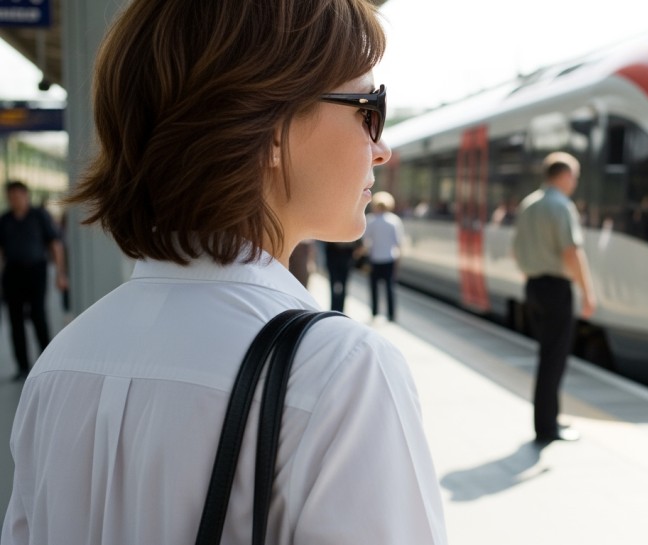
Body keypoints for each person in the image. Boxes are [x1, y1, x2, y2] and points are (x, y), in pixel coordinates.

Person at [1, 1, 447, 543]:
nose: (382, 148)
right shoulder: (339, 372)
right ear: (274, 127)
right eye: (369, 109)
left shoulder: (61, 363)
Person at [511, 152, 596, 444]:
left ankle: (548, 419)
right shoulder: (561, 206)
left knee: (547, 355)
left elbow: (516, 250)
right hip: (556, 288)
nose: (575, 182)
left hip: (533, 286)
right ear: (564, 175)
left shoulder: (529, 204)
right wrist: (587, 293)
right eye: (575, 176)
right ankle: (547, 426)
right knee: (554, 358)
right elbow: (572, 252)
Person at [0, 180, 68, 381]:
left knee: (39, 316)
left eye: (18, 196)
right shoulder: (5, 220)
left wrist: (60, 274)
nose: (14, 200)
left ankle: (47, 361)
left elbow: (55, 245)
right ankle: (22, 367)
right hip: (13, 273)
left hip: (36, 270)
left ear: (26, 195)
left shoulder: (39, 216)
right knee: (15, 320)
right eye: (11, 197)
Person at [363, 191, 404, 321]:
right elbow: (398, 243)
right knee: (390, 288)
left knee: (374, 288)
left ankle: (375, 313)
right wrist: (398, 261)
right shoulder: (394, 221)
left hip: (375, 258)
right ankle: (391, 315)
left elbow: (366, 241)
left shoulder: (371, 220)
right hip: (389, 258)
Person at [324, 239, 360, 312]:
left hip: (346, 251)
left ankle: (340, 310)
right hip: (333, 250)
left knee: (343, 284)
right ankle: (333, 309)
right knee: (333, 283)